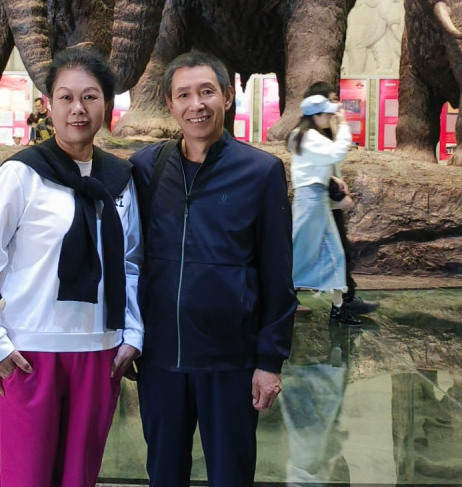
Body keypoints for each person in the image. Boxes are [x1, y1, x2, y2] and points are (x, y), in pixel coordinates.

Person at [0, 46, 143, 487]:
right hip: (29, 352)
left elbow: (131, 262)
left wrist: (133, 333)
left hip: (99, 351)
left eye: (90, 97)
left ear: (107, 104)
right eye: (66, 97)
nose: (77, 109)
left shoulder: (119, 180)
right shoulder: (21, 174)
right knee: (25, 477)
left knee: (79, 478)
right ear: (48, 104)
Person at [130, 51, 296, 487]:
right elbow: (128, 259)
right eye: (183, 95)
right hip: (161, 358)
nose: (196, 105)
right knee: (164, 474)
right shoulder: (146, 168)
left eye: (206, 92)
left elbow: (277, 273)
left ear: (227, 96)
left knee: (231, 476)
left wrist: (270, 360)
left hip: (230, 360)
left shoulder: (260, 172)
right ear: (170, 104)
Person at [302, 81, 378, 316]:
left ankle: (344, 301)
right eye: (332, 99)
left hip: (325, 205)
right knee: (331, 254)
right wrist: (337, 193)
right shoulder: (312, 134)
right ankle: (344, 302)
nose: (337, 104)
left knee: (333, 254)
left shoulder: (321, 129)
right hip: (320, 206)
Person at [288, 93, 361, 326]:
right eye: (327, 114)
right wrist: (344, 125)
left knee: (333, 255)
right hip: (312, 203)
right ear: (316, 116)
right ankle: (275, 302)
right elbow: (337, 152)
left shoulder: (300, 135)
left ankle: (338, 309)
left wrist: (331, 178)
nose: (330, 117)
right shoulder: (310, 137)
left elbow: (309, 166)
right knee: (298, 255)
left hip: (313, 201)